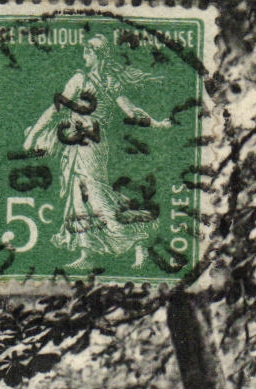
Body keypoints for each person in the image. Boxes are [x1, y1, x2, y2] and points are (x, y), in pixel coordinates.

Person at [23, 34, 173, 269]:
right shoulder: (98, 80)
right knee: (77, 194)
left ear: (97, 54)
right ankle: (87, 253)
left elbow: (131, 111)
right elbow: (131, 112)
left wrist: (156, 123)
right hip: (80, 141)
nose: (84, 57)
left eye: (87, 52)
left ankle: (138, 238)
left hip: (90, 143)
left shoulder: (92, 81)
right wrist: (156, 123)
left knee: (95, 194)